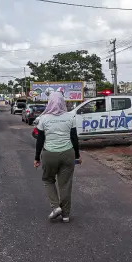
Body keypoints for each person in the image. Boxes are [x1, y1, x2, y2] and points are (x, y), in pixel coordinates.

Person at [34, 91, 81, 223]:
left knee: (48, 180)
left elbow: (40, 140)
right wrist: (77, 156)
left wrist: (37, 158)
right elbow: (74, 138)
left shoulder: (44, 118)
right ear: (63, 102)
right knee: (65, 185)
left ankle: (55, 207)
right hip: (68, 153)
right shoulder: (70, 117)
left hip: (49, 154)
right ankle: (66, 215)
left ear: (50, 102)